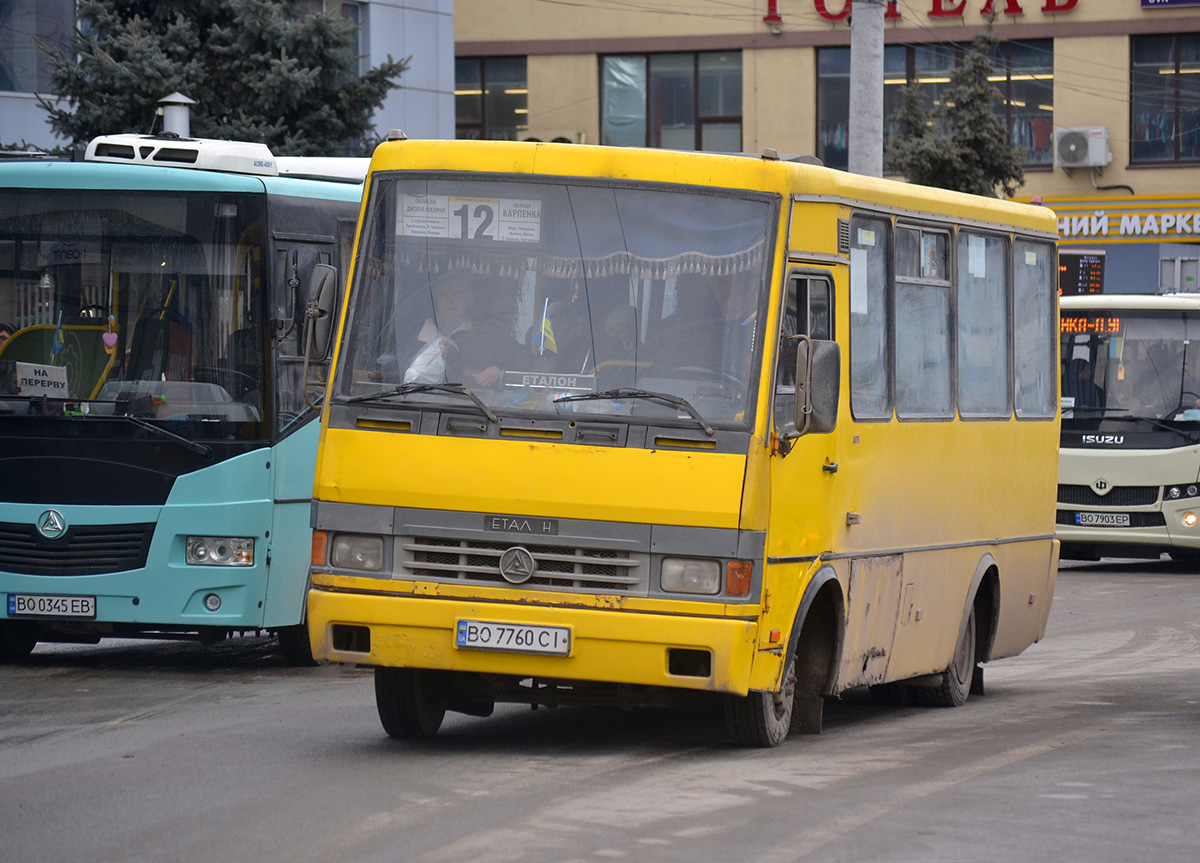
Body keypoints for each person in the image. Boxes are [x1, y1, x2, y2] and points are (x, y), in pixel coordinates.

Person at [404, 273, 518, 388]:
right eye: (443, 294)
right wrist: (428, 356)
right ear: (436, 301)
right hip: (417, 402)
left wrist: (498, 371)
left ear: (468, 300)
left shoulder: (486, 333)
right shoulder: (414, 334)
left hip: (472, 403)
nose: (449, 300)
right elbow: (395, 371)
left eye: (456, 294)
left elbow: (522, 360)